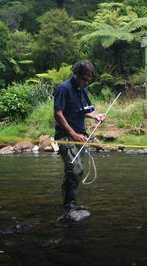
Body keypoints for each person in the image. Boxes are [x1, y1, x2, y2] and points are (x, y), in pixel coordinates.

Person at [54, 60, 106, 211]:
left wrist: (96, 116)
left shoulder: (82, 89)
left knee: (76, 170)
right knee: (74, 169)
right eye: (84, 79)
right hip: (66, 136)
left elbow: (85, 110)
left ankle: (69, 203)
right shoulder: (63, 88)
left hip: (80, 136)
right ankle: (69, 205)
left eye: (89, 79)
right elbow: (58, 114)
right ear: (76, 74)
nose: (86, 82)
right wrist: (73, 133)